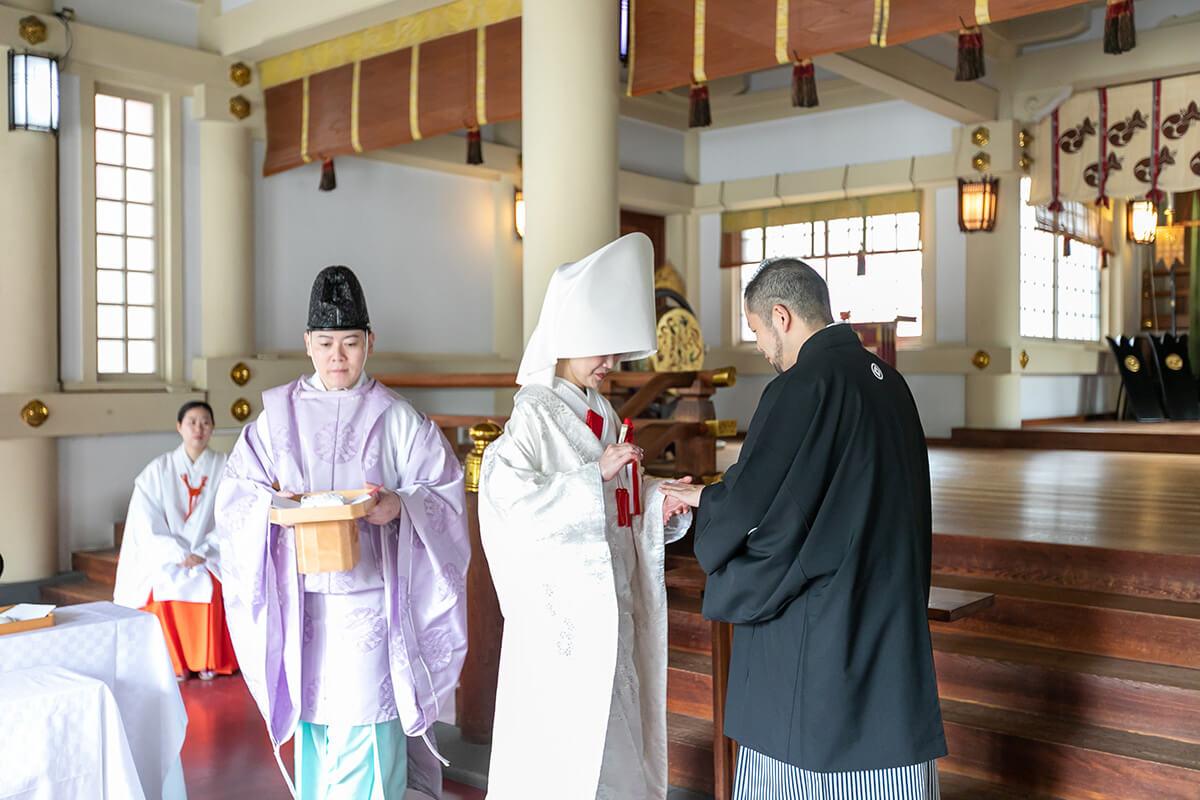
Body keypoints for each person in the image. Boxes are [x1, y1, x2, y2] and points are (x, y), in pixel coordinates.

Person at [661, 258, 946, 799]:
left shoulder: (801, 386)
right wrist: (714, 494)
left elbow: (760, 504)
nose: (760, 348)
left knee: (807, 753)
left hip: (820, 616)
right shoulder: (889, 382)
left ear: (781, 316)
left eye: (756, 331)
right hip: (886, 595)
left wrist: (713, 508)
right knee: (887, 742)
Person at [215, 265, 470, 800]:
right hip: (303, 606)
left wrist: (398, 504)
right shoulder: (278, 416)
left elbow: (442, 493)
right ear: (307, 343)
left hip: (371, 607)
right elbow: (238, 493)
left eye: (350, 343)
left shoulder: (397, 417)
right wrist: (275, 506)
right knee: (316, 732)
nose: (338, 356)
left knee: (367, 732)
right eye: (326, 343)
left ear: (369, 343)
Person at [478, 233, 694, 800]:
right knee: (565, 752)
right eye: (600, 348)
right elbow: (507, 501)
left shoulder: (602, 412)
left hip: (611, 606)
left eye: (615, 350)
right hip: (562, 623)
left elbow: (621, 498)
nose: (610, 363)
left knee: (614, 740)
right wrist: (590, 477)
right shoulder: (534, 416)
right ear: (565, 339)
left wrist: (657, 501)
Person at [113, 401, 238, 681]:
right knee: (162, 580)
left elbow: (234, 514)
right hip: (167, 553)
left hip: (211, 553)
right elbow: (145, 520)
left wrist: (206, 549)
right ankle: (174, 661)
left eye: (205, 422)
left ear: (213, 427)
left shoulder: (227, 467)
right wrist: (176, 552)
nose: (198, 428)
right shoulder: (158, 470)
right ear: (180, 427)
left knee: (211, 582)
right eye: (192, 422)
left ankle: (209, 659)